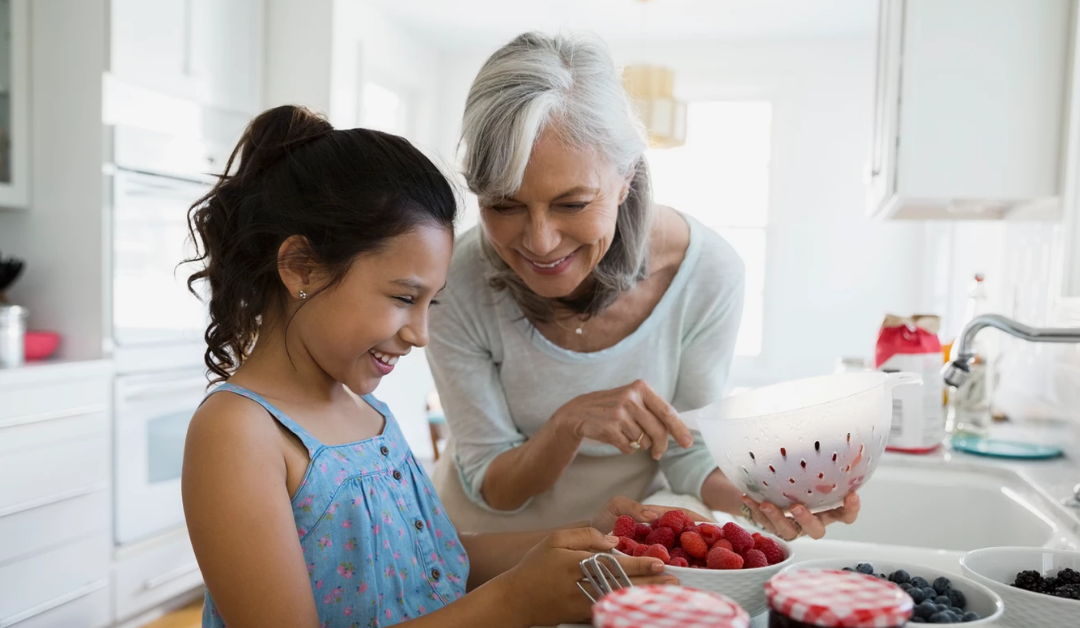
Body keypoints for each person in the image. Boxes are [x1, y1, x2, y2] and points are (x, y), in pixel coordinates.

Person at [181, 105, 685, 628]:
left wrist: (589, 536)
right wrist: (511, 602)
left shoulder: (365, 410)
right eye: (403, 297)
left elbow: (437, 561)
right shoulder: (238, 433)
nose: (420, 334)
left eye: (431, 304)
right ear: (301, 267)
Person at [427, 32, 860, 539]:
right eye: (504, 205)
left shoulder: (707, 273)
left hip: (624, 544)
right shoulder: (455, 277)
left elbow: (688, 450)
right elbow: (492, 485)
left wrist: (765, 500)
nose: (540, 242)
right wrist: (569, 423)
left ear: (627, 175)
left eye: (572, 204)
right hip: (479, 545)